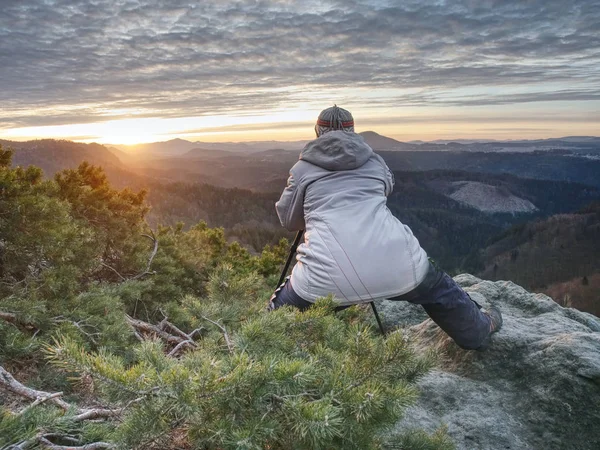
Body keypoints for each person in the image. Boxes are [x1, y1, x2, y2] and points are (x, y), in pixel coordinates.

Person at [268, 105, 502, 350]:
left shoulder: (301, 171)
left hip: (326, 278)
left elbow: (289, 222)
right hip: (396, 262)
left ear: (317, 131)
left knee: (276, 323)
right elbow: (385, 189)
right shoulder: (376, 163)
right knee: (437, 287)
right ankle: (478, 329)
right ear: (353, 131)